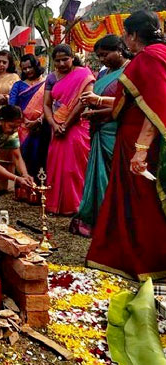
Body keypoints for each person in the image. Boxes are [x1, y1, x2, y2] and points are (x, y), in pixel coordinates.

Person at [87, 10, 166, 281]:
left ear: (131, 36)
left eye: (126, 36)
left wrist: (140, 150)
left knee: (142, 201)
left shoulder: (147, 59)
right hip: (149, 138)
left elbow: (154, 108)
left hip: (139, 141)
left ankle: (145, 259)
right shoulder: (162, 55)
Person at [70, 35, 131, 237]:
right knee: (99, 175)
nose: (102, 59)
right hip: (99, 130)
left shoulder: (132, 70)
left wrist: (97, 108)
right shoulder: (106, 73)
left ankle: (113, 222)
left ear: (119, 50)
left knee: (115, 177)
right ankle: (97, 218)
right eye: (99, 56)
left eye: (105, 54)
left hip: (117, 131)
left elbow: (128, 105)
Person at [43, 44, 95, 215]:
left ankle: (74, 206)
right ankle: (54, 205)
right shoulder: (51, 77)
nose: (61, 63)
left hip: (76, 126)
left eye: (65, 59)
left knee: (73, 168)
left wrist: (66, 125)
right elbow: (46, 104)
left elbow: (83, 101)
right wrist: (54, 124)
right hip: (57, 126)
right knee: (55, 166)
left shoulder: (83, 75)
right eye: (57, 60)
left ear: (73, 57)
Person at [9, 53, 50, 201]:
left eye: (30, 67)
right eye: (24, 68)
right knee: (23, 157)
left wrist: (38, 120)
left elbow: (50, 104)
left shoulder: (46, 83)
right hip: (23, 127)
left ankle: (39, 192)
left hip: (42, 127)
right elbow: (12, 105)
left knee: (40, 157)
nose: (27, 71)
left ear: (36, 66)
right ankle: (23, 193)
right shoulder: (18, 85)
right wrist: (25, 120)